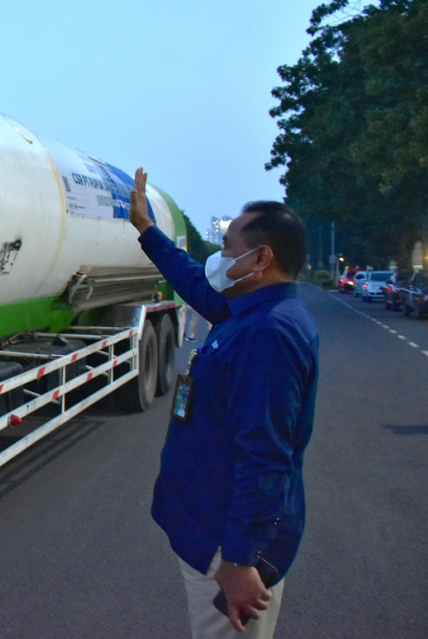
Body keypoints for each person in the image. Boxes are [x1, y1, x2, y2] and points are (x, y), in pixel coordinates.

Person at [129, 168, 319, 638]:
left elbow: (266, 455)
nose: (220, 255)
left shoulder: (269, 334)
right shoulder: (251, 311)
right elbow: (196, 283)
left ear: (261, 258)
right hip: (212, 529)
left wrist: (239, 559)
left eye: (229, 246)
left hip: (226, 546)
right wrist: (147, 231)